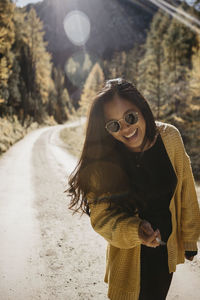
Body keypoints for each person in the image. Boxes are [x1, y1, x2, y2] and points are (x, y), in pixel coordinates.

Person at [66, 78, 200, 300]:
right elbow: (101, 218)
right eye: (114, 125)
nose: (126, 129)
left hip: (164, 254)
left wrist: (189, 238)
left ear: (142, 109)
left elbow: (185, 189)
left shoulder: (170, 138)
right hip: (128, 258)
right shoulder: (104, 161)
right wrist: (135, 230)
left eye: (130, 117)